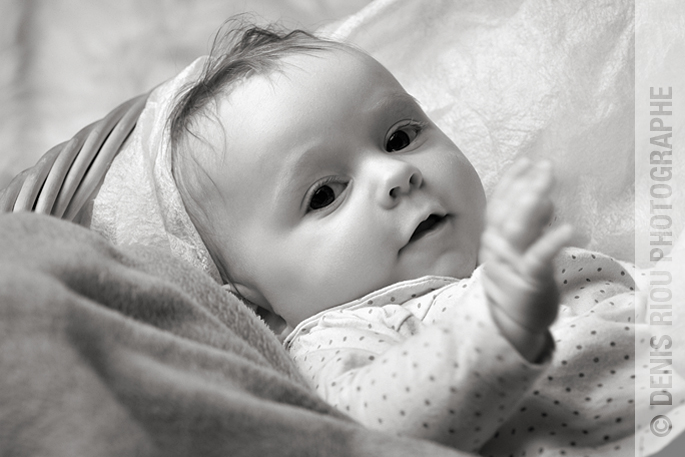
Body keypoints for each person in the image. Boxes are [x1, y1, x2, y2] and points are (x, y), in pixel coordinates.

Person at [92, 23, 651, 456]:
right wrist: (492, 336)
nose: (395, 175)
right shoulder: (338, 337)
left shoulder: (505, 246)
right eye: (324, 195)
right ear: (255, 301)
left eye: (400, 136)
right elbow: (372, 429)